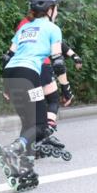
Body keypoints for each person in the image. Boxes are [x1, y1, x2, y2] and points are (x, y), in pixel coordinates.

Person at [0, 0, 74, 192]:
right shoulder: (52, 28)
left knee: (30, 125)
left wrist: (6, 87)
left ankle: (26, 173)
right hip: (29, 75)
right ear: (49, 10)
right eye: (57, 8)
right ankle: (13, 150)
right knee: (39, 127)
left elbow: (6, 57)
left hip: (12, 74)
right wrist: (66, 89)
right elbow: (57, 61)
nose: (57, 12)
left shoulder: (24, 29)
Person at [11, 12, 81, 158]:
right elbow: (57, 47)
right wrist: (73, 57)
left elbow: (12, 51)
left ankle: (30, 145)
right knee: (53, 100)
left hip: (21, 72)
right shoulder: (47, 26)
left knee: (32, 110)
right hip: (41, 68)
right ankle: (45, 132)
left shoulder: (24, 25)